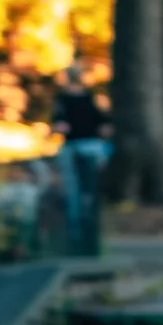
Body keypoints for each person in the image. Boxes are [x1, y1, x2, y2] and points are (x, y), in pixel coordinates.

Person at [51, 63, 112, 256]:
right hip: (78, 147)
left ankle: (85, 228)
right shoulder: (66, 99)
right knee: (75, 189)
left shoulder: (89, 97)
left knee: (84, 189)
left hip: (88, 147)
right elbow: (59, 122)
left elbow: (102, 121)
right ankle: (78, 231)